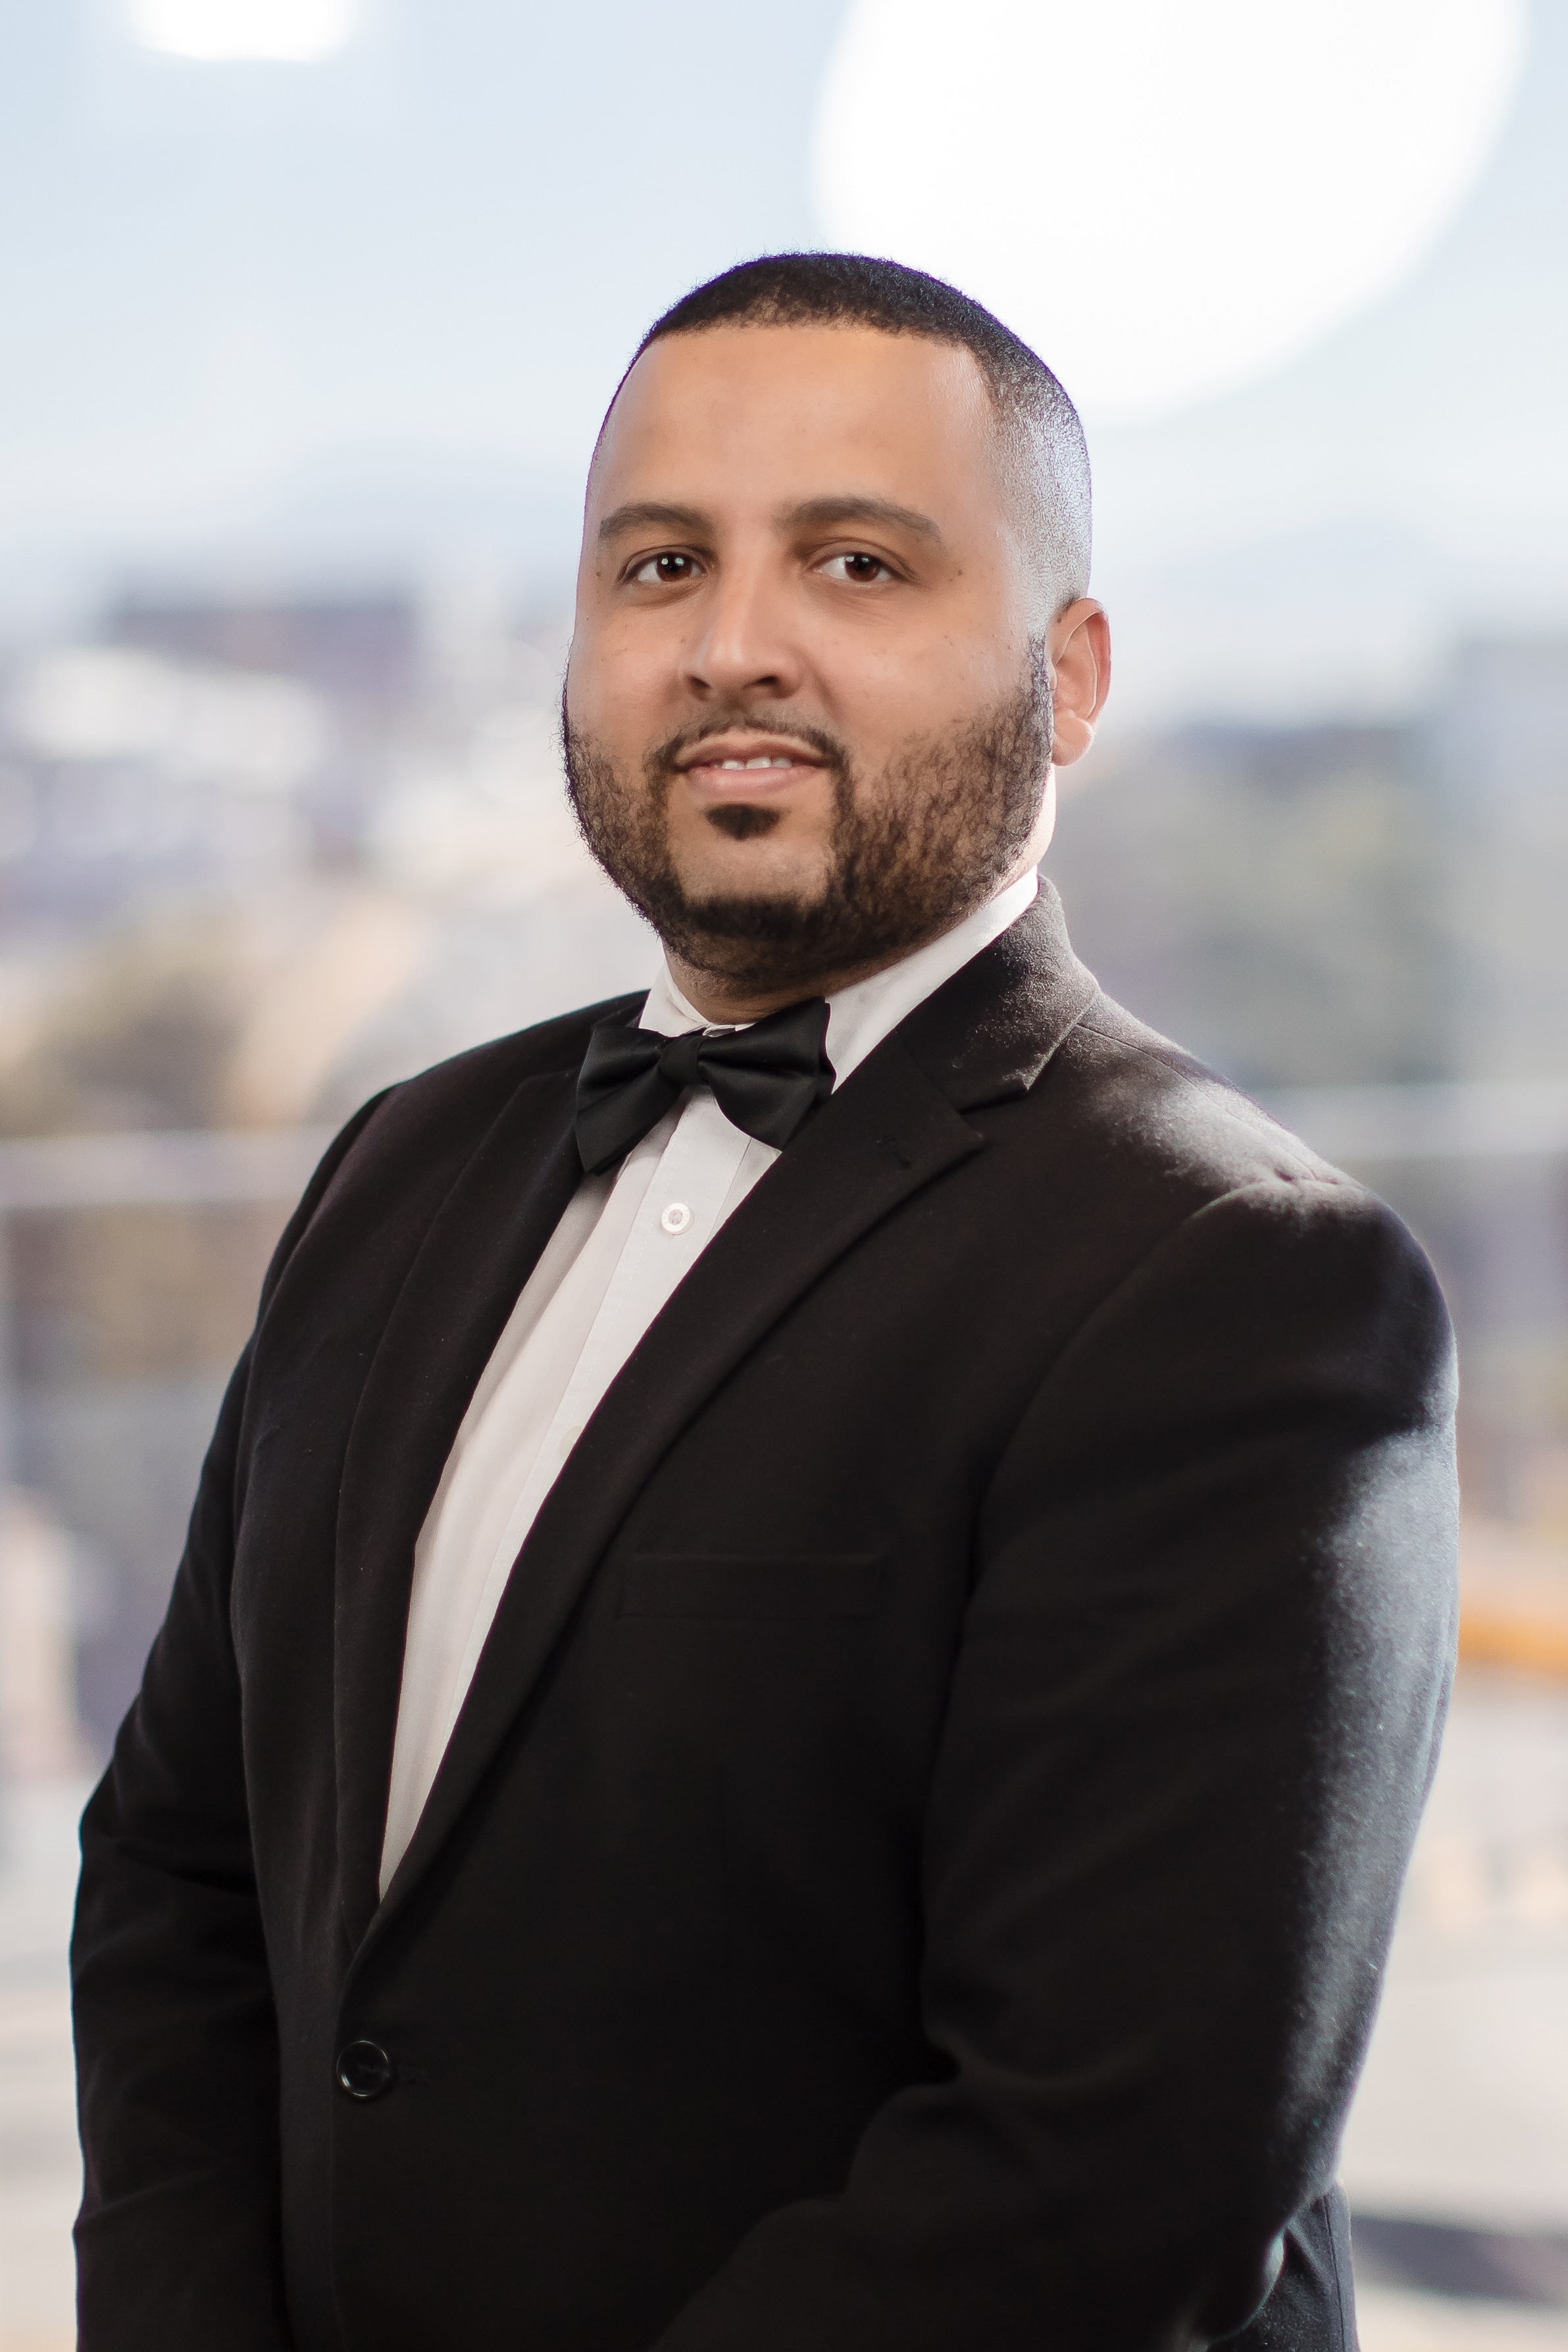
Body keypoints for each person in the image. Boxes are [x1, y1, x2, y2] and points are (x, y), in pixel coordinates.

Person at [72, 254, 1457, 2352]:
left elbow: (1101, 2181)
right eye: (659, 567)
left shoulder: (1245, 1284)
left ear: (1069, 676)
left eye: (856, 563)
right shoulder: (397, 1164)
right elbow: (183, 1868)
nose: (732, 645)